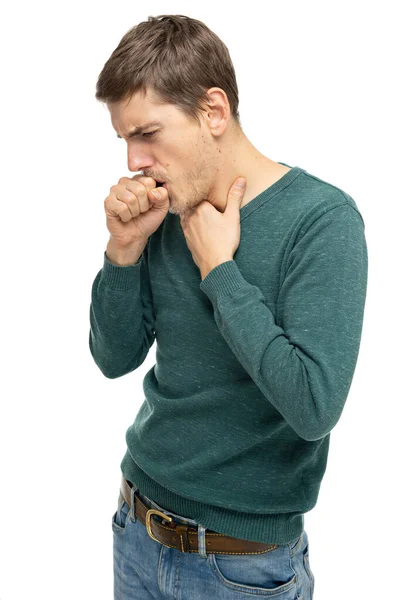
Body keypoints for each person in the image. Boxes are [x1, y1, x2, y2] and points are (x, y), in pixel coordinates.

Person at [89, 14, 368, 600]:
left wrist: (221, 272)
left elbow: (314, 406)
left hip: (240, 569)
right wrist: (123, 251)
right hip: (136, 526)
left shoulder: (322, 222)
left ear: (214, 111)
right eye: (125, 141)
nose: (136, 160)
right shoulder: (165, 209)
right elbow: (114, 360)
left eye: (148, 133)